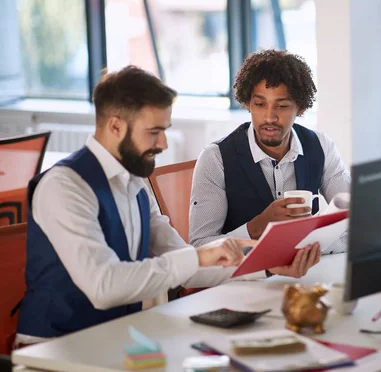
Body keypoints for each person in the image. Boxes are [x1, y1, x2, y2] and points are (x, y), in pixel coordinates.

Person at [16, 66, 258, 344]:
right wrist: (199, 256)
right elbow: (103, 286)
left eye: (164, 131)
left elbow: (185, 266)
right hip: (54, 348)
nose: (164, 144)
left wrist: (267, 266)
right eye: (154, 132)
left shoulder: (135, 180)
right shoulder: (65, 186)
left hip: (115, 337)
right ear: (115, 126)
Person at [189, 50, 350, 278]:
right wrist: (256, 227)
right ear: (248, 103)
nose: (269, 117)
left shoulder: (320, 146)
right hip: (240, 286)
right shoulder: (216, 159)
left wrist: (307, 248)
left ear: (301, 107)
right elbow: (199, 249)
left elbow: (355, 221)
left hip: (305, 279)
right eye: (260, 104)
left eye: (282, 106)